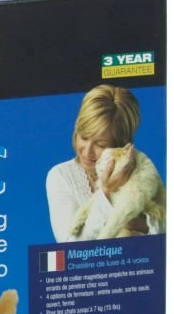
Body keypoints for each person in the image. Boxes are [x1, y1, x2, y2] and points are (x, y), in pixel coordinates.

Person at [46, 84, 156, 242]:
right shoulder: (61, 176)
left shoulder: (141, 171)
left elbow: (163, 229)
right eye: (84, 137)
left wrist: (135, 222)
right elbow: (70, 245)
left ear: (120, 145)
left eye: (101, 145)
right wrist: (107, 192)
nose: (87, 152)